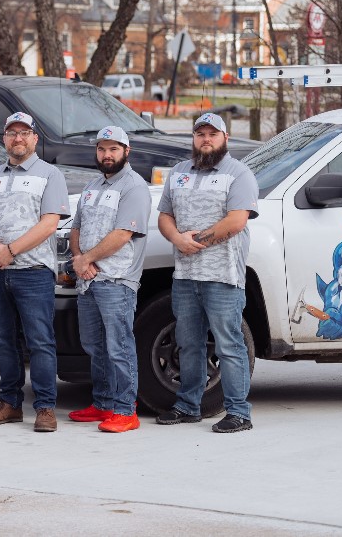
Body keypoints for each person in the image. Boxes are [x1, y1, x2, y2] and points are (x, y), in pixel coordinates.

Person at [156, 112, 259, 433]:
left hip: (223, 276)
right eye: (200, 133)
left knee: (229, 345)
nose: (206, 139)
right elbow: (164, 216)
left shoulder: (239, 174)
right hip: (185, 278)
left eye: (213, 134)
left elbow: (237, 220)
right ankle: (188, 406)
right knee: (188, 344)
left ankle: (239, 412)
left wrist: (195, 241)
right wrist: (176, 238)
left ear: (225, 138)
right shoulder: (178, 173)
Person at [0, 112, 69, 432]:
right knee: (3, 340)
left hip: (33, 271)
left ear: (34, 138)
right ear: (4, 139)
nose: (17, 138)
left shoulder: (49, 175)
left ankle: (44, 407)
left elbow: (49, 222)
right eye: (11, 133)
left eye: (24, 133)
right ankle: (9, 403)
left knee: (40, 341)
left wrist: (10, 250)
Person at [68, 126, 151, 433]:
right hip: (88, 280)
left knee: (119, 346)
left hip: (117, 280)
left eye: (113, 149)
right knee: (94, 345)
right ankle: (102, 404)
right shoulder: (92, 186)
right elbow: (76, 227)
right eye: (102, 149)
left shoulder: (134, 187)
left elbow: (123, 234)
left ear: (126, 152)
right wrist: (80, 260)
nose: (107, 155)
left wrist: (86, 259)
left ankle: (126, 410)